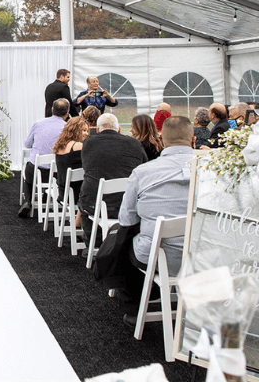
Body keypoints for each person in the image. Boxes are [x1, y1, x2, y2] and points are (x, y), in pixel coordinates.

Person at [117, 116, 195, 325]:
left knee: (124, 241)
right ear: (193, 139)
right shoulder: (215, 170)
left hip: (158, 258)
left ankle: (134, 306)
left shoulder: (143, 172)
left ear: (161, 139)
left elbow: (126, 218)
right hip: (203, 257)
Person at [78, 113, 147, 250]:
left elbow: (87, 167)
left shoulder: (88, 143)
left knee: (84, 200)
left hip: (95, 203)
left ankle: (93, 244)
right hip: (128, 202)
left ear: (97, 130)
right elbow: (143, 166)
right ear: (119, 129)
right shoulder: (134, 143)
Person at [20, 98, 70, 217]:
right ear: (67, 112)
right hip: (56, 173)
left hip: (36, 171)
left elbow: (27, 144)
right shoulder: (67, 128)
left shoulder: (38, 123)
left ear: (52, 109)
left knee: (28, 177)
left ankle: (28, 200)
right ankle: (46, 198)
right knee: (56, 172)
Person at [52, 117, 88, 205]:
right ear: (75, 131)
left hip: (64, 192)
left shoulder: (61, 146)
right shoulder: (79, 146)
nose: (86, 133)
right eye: (83, 130)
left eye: (87, 131)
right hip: (77, 194)